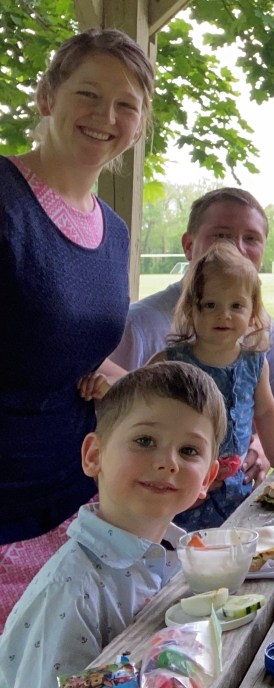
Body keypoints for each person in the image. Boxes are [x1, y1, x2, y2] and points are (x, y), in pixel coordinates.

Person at [0, 29, 155, 631]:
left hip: (79, 502)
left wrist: (124, 386)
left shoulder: (112, 231)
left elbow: (68, 348)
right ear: (47, 97)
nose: (105, 116)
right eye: (88, 94)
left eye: (126, 105)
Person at [0, 361, 227, 687]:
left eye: (189, 450)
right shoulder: (73, 593)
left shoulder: (181, 560)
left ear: (206, 478)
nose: (168, 462)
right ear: (94, 455)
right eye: (145, 440)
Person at [109, 187, 274, 486]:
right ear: (189, 245)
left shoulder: (257, 327)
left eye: (251, 238)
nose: (237, 248)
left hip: (235, 488)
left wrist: (263, 449)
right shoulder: (139, 326)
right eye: (221, 236)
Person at [149, 241, 274, 528]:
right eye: (210, 305)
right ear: (191, 309)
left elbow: (265, 412)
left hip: (237, 487)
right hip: (184, 489)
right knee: (185, 547)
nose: (224, 315)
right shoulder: (170, 363)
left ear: (252, 312)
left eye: (236, 306)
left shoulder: (255, 363)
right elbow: (140, 414)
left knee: (239, 537)